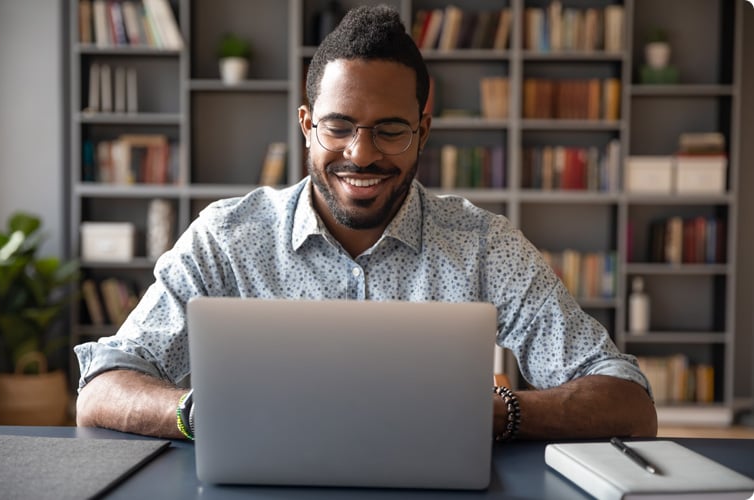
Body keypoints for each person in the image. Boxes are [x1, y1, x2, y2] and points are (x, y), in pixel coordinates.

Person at [75, 5, 657, 441]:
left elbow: (630, 402)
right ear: (307, 125)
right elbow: (102, 387)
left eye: (390, 129)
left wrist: (505, 413)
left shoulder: (484, 245)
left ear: (423, 131)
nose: (361, 153)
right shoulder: (227, 239)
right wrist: (198, 413)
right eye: (339, 126)